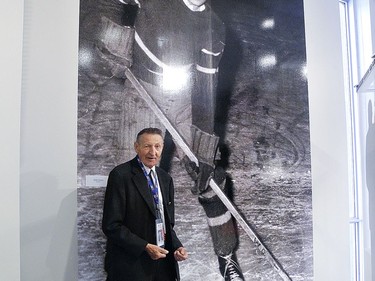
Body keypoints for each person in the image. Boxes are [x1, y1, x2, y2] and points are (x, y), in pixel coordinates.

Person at [99, 0, 245, 280]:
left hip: (183, 100)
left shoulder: (213, 27)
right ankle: (121, 261)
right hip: (142, 90)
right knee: (129, 182)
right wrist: (116, 35)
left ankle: (226, 256)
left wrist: (203, 151)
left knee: (212, 179)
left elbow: (205, 89)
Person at [102, 127, 188, 281]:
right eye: (147, 146)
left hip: (163, 266)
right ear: (137, 147)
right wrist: (145, 247)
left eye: (157, 146)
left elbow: (167, 223)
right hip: (131, 267)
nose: (153, 152)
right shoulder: (120, 175)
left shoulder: (165, 178)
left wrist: (176, 247)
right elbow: (111, 225)